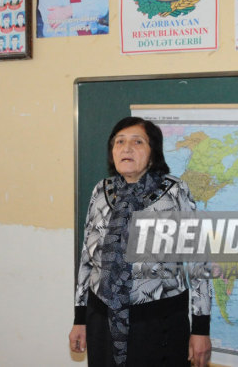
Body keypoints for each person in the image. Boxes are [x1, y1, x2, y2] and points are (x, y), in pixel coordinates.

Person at [69, 117, 212, 367]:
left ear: (153, 154)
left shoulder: (175, 192)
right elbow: (87, 259)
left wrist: (201, 328)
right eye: (119, 142)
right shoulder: (100, 191)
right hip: (101, 318)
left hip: (160, 322)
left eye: (137, 142)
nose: (126, 148)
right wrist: (80, 319)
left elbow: (200, 261)